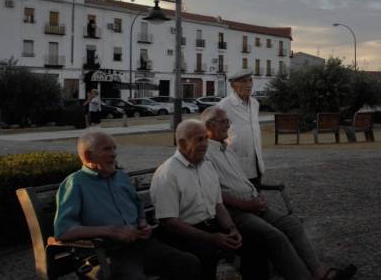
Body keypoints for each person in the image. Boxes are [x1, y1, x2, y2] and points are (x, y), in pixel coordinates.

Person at [202, 106, 357, 280]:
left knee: (292, 225)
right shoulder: (205, 152)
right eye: (224, 122)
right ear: (210, 125)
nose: (228, 126)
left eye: (228, 121)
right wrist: (246, 204)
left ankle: (319, 271)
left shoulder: (227, 148)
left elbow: (239, 180)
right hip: (235, 211)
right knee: (275, 236)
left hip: (253, 204)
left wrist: (255, 196)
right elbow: (213, 192)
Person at [53, 130, 200, 280]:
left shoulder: (121, 177)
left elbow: (138, 207)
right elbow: (64, 231)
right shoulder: (75, 184)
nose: (114, 154)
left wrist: (143, 225)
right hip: (106, 253)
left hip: (140, 245)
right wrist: (111, 231)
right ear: (88, 156)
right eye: (106, 149)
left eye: (114, 148)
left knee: (188, 262)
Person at [150, 119, 247, 280]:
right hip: (181, 232)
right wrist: (211, 238)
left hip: (209, 225)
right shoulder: (168, 174)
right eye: (199, 140)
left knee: (253, 240)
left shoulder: (207, 166)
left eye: (206, 138)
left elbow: (218, 205)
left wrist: (231, 229)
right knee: (206, 254)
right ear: (181, 142)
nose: (205, 144)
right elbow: (170, 223)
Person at [217, 69, 264, 184]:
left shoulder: (255, 103)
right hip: (235, 160)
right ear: (233, 85)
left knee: (256, 192)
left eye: (250, 81)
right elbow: (215, 131)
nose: (248, 85)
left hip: (256, 159)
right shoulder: (224, 104)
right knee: (239, 195)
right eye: (243, 81)